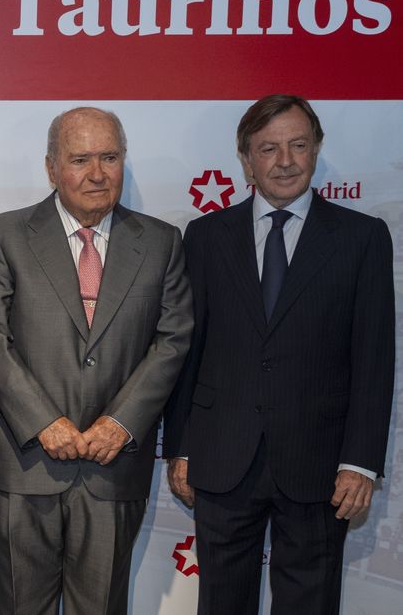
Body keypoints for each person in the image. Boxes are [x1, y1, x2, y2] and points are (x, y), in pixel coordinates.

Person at [162, 95, 394, 614]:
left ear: (316, 151)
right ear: (247, 159)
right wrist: (180, 446)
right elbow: (186, 350)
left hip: (321, 464)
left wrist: (361, 462)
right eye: (269, 148)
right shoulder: (204, 237)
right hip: (222, 458)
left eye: (297, 145)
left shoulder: (363, 238)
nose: (284, 160)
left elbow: (375, 361)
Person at [0, 107, 193, 615]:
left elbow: (173, 339)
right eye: (80, 159)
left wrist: (120, 423)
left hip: (114, 469)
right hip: (22, 465)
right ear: (51, 168)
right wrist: (42, 421)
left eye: (110, 157)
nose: (97, 173)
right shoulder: (3, 235)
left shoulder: (161, 242)